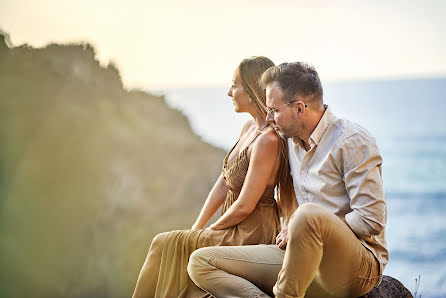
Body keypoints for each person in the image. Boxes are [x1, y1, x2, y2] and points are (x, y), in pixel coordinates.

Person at [188, 62, 388, 298]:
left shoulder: (351, 140)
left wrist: (301, 225)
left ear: (300, 109)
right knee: (200, 262)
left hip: (356, 267)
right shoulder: (288, 141)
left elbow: (371, 218)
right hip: (302, 257)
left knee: (307, 215)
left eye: (274, 110)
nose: (268, 117)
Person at [132, 57, 296, 298]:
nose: (229, 93)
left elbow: (245, 205)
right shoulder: (248, 129)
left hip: (250, 232)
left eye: (234, 85)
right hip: (233, 225)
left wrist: (208, 231)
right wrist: (197, 227)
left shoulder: (268, 141)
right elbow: (224, 182)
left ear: (251, 92)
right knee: (169, 243)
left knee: (161, 243)